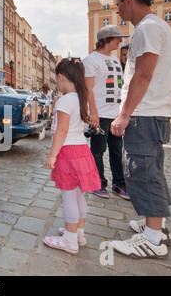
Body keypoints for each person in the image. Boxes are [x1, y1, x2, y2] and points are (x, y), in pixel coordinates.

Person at [110, 0, 171, 259]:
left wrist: (124, 114)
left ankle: (152, 240)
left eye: (118, 6)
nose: (118, 13)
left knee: (142, 172)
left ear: (129, 0)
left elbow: (144, 74)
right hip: (153, 112)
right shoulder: (160, 27)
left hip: (144, 114)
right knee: (153, 171)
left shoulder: (147, 29)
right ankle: (157, 227)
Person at [43, 58, 101, 255]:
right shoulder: (80, 98)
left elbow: (61, 131)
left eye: (56, 80)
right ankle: (78, 233)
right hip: (82, 151)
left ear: (60, 78)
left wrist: (52, 155)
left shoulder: (66, 100)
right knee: (78, 196)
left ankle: (69, 240)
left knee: (68, 197)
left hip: (68, 152)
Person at [83, 25, 130, 200]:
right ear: (107, 39)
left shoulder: (115, 60)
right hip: (100, 113)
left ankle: (119, 183)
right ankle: (97, 183)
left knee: (117, 150)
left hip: (115, 114)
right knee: (98, 150)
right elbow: (88, 88)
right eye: (118, 38)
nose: (120, 41)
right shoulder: (91, 60)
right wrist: (93, 113)